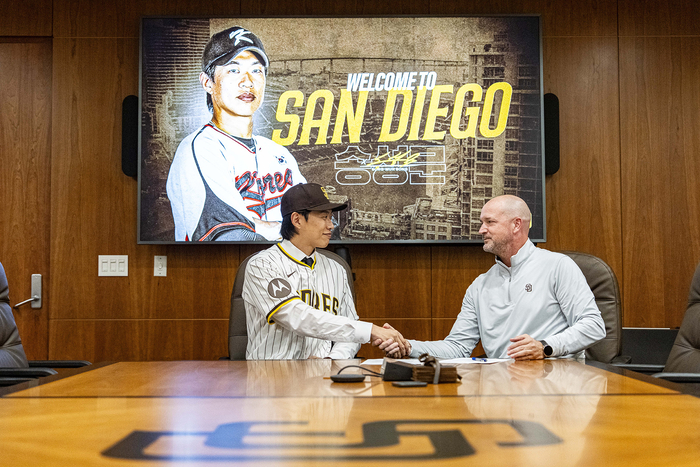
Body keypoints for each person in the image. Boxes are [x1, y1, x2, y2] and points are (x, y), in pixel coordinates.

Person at [380, 195, 606, 360]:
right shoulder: (480, 286)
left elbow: (594, 326)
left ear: (516, 225)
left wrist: (545, 347)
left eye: (490, 222)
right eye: (482, 223)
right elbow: (457, 347)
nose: (481, 230)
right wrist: (407, 346)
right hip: (500, 388)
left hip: (555, 385)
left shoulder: (558, 266)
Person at [166, 26, 305, 242]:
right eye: (233, 70)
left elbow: (320, 222)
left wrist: (268, 228)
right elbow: (230, 235)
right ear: (207, 83)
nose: (247, 82)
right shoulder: (198, 149)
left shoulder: (280, 154)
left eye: (256, 71)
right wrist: (295, 233)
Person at [242, 183, 408, 359]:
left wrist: (331, 361)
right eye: (324, 217)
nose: (331, 225)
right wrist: (369, 330)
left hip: (322, 373)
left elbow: (349, 335)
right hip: (271, 373)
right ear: (297, 220)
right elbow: (296, 316)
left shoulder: (337, 269)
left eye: (330, 217)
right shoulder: (262, 265)